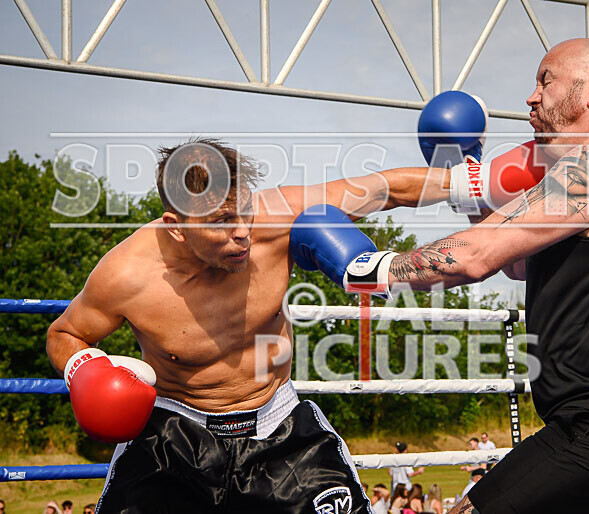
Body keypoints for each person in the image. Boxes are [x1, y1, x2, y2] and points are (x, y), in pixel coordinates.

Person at [305, 38, 589, 513]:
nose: (532, 96)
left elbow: (475, 256)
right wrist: (467, 187)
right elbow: (515, 262)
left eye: (547, 80)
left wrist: (368, 270)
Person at [46, 139, 452, 512]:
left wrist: (481, 182)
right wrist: (87, 372)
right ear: (176, 225)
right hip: (173, 438)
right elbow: (65, 334)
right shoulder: (127, 275)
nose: (242, 232)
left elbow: (385, 188)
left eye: (245, 211)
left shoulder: (279, 218)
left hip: (280, 430)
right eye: (222, 221)